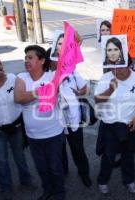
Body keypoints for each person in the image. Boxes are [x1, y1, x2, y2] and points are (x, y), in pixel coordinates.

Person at [14, 45, 65, 200]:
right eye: (26, 58)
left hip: (54, 133)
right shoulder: (21, 77)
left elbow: (67, 62)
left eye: (31, 57)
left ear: (42, 60)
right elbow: (19, 98)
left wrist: (75, 42)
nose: (27, 61)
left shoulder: (51, 77)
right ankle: (47, 190)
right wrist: (41, 91)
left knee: (55, 166)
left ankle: (60, 193)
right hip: (33, 135)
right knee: (41, 167)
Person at [0, 54, 34, 200]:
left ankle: (26, 181)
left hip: (15, 126)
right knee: (1, 160)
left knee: (20, 156)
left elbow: (24, 93)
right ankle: (6, 188)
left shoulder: (12, 78)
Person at [94, 57, 135, 194]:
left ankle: (129, 180)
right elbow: (97, 100)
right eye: (113, 66)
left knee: (128, 155)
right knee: (108, 156)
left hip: (130, 124)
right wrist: (110, 90)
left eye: (120, 66)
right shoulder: (106, 77)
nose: (116, 70)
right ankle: (103, 180)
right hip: (110, 124)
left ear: (129, 64)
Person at [46, 33, 92, 188]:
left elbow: (86, 89)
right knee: (59, 150)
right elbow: (46, 96)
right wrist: (58, 82)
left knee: (78, 149)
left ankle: (84, 173)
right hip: (55, 120)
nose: (62, 47)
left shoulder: (72, 71)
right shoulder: (46, 75)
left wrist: (80, 92)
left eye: (64, 44)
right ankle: (63, 172)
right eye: (59, 44)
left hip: (73, 118)